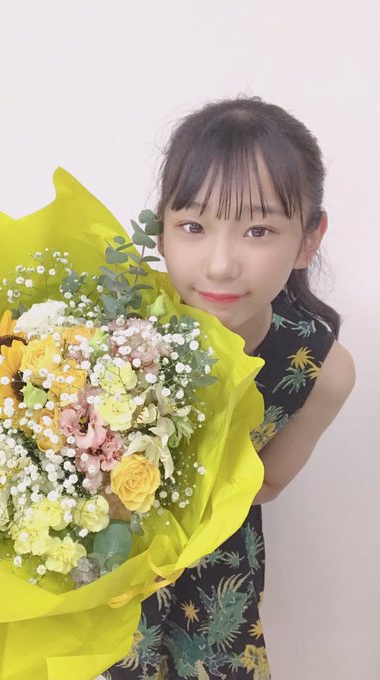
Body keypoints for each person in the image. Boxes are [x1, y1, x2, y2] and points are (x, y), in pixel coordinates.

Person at [101, 96, 356, 679]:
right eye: (193, 226)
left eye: (258, 230)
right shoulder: (108, 319)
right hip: (100, 576)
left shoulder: (320, 370)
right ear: (162, 228)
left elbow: (266, 483)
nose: (219, 264)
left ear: (308, 239)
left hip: (214, 590)